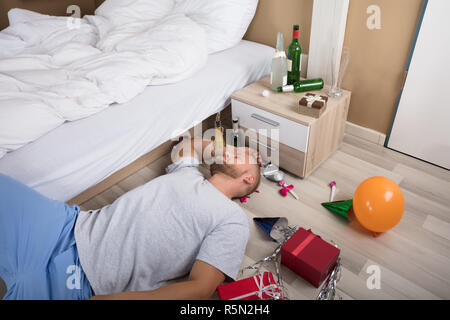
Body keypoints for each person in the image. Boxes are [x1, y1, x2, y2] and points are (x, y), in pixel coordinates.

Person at [0, 138, 261, 300]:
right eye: (234, 147)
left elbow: (200, 288)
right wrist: (225, 149)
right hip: (66, 226)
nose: (233, 150)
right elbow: (188, 145)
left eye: (241, 154)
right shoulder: (188, 173)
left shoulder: (233, 220)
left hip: (83, 281)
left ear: (248, 179)